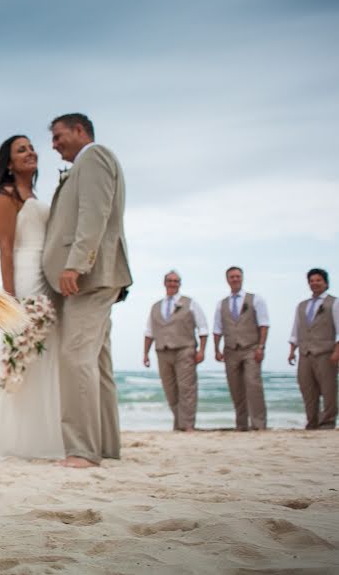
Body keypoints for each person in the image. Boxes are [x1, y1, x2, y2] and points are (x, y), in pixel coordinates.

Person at [43, 114, 132, 468]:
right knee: (98, 361)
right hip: (96, 277)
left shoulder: (95, 156)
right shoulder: (87, 162)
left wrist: (76, 263)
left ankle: (81, 449)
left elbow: (94, 212)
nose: (53, 144)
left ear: (80, 131)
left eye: (58, 135)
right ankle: (106, 444)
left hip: (88, 277)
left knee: (75, 356)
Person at [0, 134, 65, 459]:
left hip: (47, 275)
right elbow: (4, 248)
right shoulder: (7, 195)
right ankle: (14, 439)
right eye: (21, 150)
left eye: (30, 147)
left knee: (47, 350)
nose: (30, 152)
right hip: (25, 276)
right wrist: (10, 297)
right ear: (9, 163)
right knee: (23, 346)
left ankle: (46, 435)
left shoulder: (35, 194)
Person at [143, 271, 208, 432]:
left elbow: (203, 327)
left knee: (187, 388)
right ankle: (178, 423)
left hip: (185, 349)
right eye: (170, 280)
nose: (173, 283)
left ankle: (187, 425)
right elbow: (149, 332)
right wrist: (145, 353)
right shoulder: (156, 306)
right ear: (164, 283)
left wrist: (201, 350)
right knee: (170, 389)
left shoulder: (190, 303)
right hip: (162, 351)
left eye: (176, 281)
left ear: (180, 283)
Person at [212, 266, 269, 431]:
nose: (235, 279)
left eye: (237, 276)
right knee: (235, 388)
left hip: (251, 348)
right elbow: (217, 328)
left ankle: (259, 424)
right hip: (230, 350)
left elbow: (264, 324)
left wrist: (261, 347)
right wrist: (217, 349)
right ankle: (241, 425)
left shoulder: (255, 299)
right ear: (227, 280)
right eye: (231, 277)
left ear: (242, 278)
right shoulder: (222, 304)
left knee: (253, 385)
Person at [288, 268, 339, 430]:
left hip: (326, 352)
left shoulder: (334, 303)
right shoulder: (302, 306)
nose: (314, 283)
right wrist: (292, 350)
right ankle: (312, 421)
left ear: (325, 282)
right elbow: (296, 330)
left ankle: (328, 422)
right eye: (312, 281)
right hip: (305, 352)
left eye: (318, 280)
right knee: (307, 389)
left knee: (328, 388)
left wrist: (337, 351)